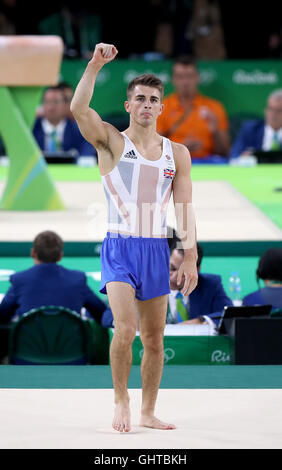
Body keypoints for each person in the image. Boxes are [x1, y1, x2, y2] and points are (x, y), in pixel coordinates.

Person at [70, 43, 198, 433]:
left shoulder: (177, 154)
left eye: (153, 99)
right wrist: (94, 65)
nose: (146, 104)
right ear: (128, 106)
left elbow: (184, 208)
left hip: (156, 248)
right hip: (120, 246)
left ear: (162, 107)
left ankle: (147, 411)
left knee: (156, 341)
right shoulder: (111, 141)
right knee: (125, 329)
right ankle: (121, 397)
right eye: (139, 98)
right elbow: (78, 109)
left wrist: (189, 257)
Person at [0, 230, 112, 326]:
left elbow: (3, 315)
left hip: (27, 348)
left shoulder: (19, 280)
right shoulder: (77, 280)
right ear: (60, 256)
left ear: (33, 253)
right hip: (71, 349)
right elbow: (101, 314)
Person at [157, 55, 230, 159]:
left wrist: (215, 132)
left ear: (197, 78)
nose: (185, 82)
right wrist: (182, 148)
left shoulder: (214, 107)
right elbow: (154, 148)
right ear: (173, 79)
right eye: (180, 77)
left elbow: (225, 151)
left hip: (208, 164)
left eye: (189, 76)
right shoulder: (162, 107)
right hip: (173, 162)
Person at [168, 233, 232, 327]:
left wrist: (200, 321)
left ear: (197, 270)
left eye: (183, 274)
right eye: (171, 268)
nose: (174, 278)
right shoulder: (149, 286)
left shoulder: (210, 285)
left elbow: (228, 315)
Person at [33, 86, 97, 159]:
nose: (51, 107)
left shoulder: (79, 130)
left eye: (56, 102)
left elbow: (87, 156)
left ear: (66, 105)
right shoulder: (31, 129)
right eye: (47, 102)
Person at [230, 89, 282, 158]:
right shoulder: (250, 129)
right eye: (270, 109)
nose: (273, 114)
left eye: (278, 110)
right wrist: (242, 158)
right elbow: (234, 156)